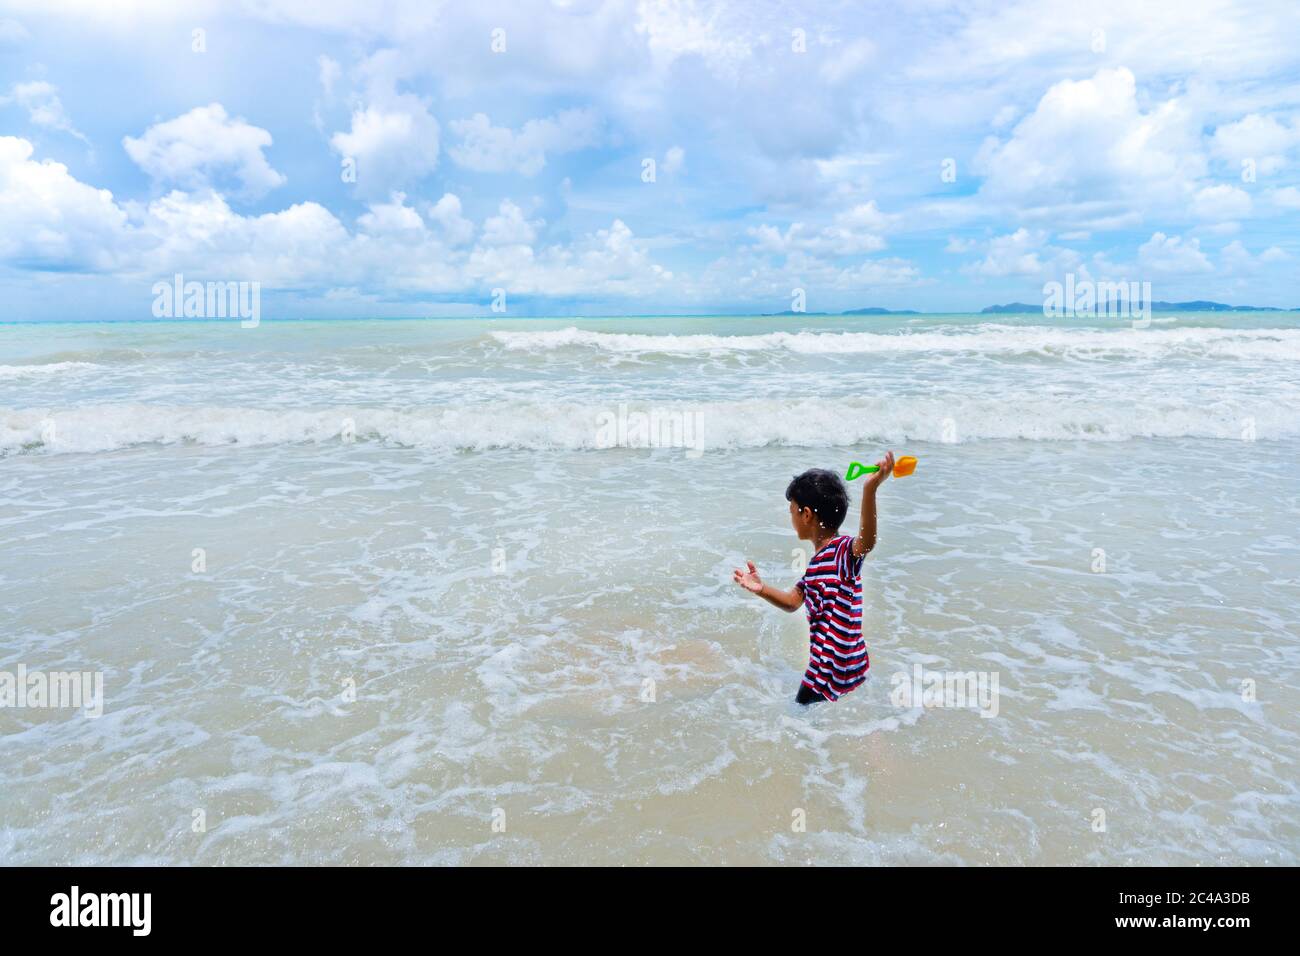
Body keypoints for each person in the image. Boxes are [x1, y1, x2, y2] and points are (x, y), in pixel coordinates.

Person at [733, 451, 895, 704]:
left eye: (792, 511)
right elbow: (792, 602)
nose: (791, 518)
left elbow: (866, 542)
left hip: (826, 674)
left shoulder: (842, 551)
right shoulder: (815, 566)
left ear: (806, 514)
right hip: (847, 667)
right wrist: (760, 588)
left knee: (797, 725)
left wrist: (870, 490)